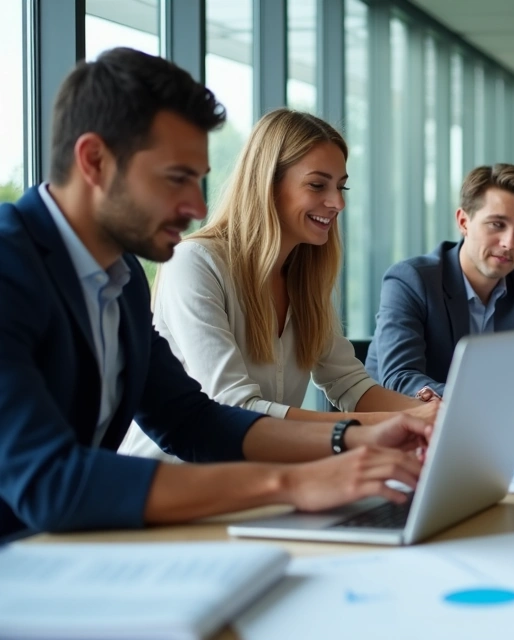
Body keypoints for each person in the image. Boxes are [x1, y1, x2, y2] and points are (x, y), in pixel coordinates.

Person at [0, 48, 430, 539]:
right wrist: (292, 482)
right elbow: (48, 482)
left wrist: (352, 436)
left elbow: (191, 421)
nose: (195, 206)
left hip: (80, 546)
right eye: (176, 178)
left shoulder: (119, 277)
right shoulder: (11, 268)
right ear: (95, 160)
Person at [119, 109, 438, 462]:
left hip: (256, 484)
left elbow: (350, 384)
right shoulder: (195, 262)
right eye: (318, 185)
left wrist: (436, 415)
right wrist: (391, 424)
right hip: (175, 489)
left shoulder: (305, 276)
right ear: (267, 184)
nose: (338, 202)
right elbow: (236, 407)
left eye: (341, 186)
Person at [365, 164, 514, 428]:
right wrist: (488, 403)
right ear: (464, 222)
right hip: (398, 435)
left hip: (496, 436)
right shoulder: (411, 279)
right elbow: (400, 378)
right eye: (497, 224)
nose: (509, 243)